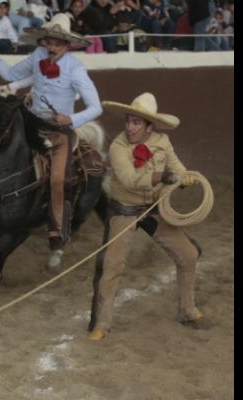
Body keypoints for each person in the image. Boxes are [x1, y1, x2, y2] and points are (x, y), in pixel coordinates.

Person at [0, 13, 102, 251]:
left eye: (57, 43)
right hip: (30, 121)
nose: (51, 47)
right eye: (48, 41)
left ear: (67, 44)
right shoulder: (37, 55)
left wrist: (71, 118)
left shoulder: (76, 69)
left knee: (56, 180)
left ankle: (56, 230)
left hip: (58, 131)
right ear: (43, 40)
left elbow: (97, 107)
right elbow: (11, 75)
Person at [88, 92, 203, 341]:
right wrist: (161, 177)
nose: (130, 127)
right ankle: (102, 323)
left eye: (136, 123)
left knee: (188, 255)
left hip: (152, 210)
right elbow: (129, 179)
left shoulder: (163, 142)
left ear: (149, 126)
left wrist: (186, 178)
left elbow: (177, 167)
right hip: (124, 211)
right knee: (112, 266)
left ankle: (187, 309)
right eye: (128, 121)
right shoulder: (118, 146)